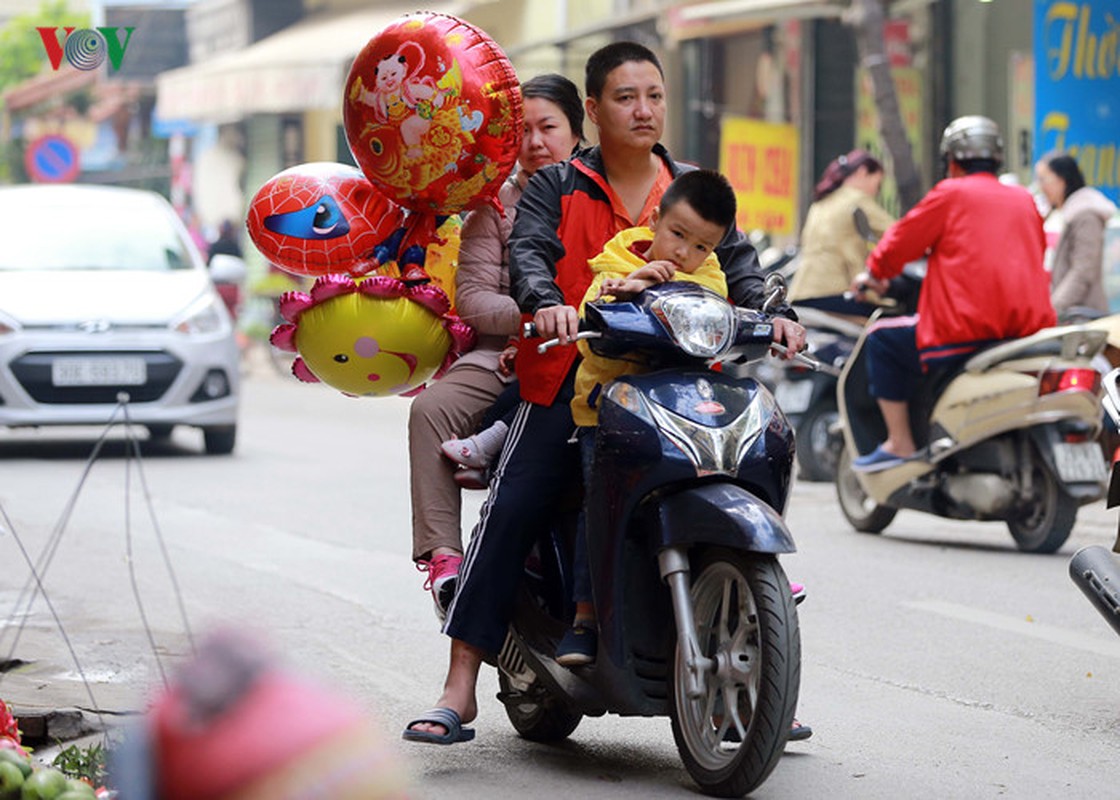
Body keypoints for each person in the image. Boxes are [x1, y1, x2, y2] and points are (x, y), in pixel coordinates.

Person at [404, 41, 807, 746]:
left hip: (677, 382)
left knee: (749, 461)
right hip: (572, 375)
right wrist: (541, 302)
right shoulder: (556, 183)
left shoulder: (689, 185)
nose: (643, 109)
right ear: (593, 110)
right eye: (626, 97)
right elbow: (531, 253)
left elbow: (740, 267)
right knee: (515, 505)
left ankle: (767, 676)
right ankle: (459, 685)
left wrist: (780, 317)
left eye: (653, 95)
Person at [408, 74, 585, 614]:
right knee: (430, 410)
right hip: (505, 353)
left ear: (577, 130)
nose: (535, 141)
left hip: (592, 348)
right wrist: (537, 319)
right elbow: (475, 300)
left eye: (548, 127)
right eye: (523, 130)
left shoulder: (598, 193)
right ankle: (445, 562)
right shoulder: (494, 206)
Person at [552, 168, 736, 667]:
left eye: (701, 246)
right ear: (655, 220)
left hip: (679, 414)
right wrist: (633, 284)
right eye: (677, 235)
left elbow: (718, 316)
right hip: (609, 411)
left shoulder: (710, 275)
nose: (684, 254)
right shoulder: (619, 254)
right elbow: (593, 307)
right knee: (601, 508)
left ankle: (741, 580)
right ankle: (586, 616)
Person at [849, 116, 1056, 472]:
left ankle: (899, 443)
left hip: (964, 331)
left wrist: (873, 273)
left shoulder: (951, 193)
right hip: (1025, 333)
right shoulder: (1024, 198)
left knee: (881, 338)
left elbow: (900, 242)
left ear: (953, 161)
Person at [789, 149, 894, 316]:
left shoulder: (820, 202)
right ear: (863, 171)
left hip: (800, 292)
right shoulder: (856, 199)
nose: (876, 191)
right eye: (878, 184)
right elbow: (899, 234)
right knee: (885, 326)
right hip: (834, 292)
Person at [1035, 151, 1117, 317]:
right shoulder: (1065, 213)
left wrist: (1053, 309)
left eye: (1044, 180)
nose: (1041, 188)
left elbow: (1083, 270)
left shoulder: (1086, 215)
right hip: (1072, 314)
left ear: (1062, 179)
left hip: (1084, 316)